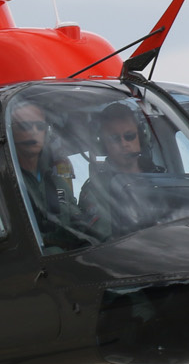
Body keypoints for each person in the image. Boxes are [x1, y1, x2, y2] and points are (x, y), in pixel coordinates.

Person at [10, 100, 90, 251]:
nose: (33, 131)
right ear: (9, 132)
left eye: (39, 126)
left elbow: (77, 225)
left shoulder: (56, 182)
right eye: (24, 126)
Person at [79, 101, 153, 237]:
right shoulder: (96, 189)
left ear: (141, 137)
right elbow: (101, 238)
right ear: (103, 145)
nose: (124, 144)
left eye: (130, 136)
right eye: (114, 139)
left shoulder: (161, 177)